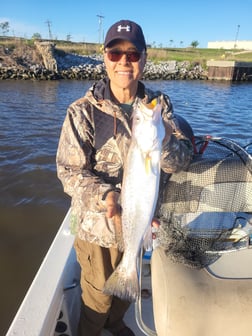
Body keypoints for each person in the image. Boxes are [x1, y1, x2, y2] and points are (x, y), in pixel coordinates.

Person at [56, 19, 193, 336]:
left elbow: (179, 161)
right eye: (115, 53)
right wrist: (106, 196)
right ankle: (91, 330)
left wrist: (166, 141)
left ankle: (116, 324)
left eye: (132, 54)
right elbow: (69, 172)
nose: (123, 61)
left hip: (141, 220)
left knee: (124, 294)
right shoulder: (81, 112)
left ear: (144, 58)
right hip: (98, 230)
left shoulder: (157, 105)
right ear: (104, 56)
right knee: (98, 299)